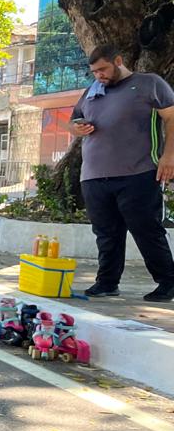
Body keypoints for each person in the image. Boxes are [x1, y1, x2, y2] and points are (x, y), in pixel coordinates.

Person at [69, 44, 174, 302]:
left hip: (138, 171)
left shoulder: (150, 83)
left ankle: (168, 282)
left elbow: (171, 118)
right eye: (94, 71)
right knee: (105, 233)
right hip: (94, 175)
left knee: (145, 228)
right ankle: (107, 282)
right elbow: (75, 120)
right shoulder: (92, 91)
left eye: (103, 69)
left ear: (118, 61)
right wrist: (77, 129)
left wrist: (169, 156)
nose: (99, 75)